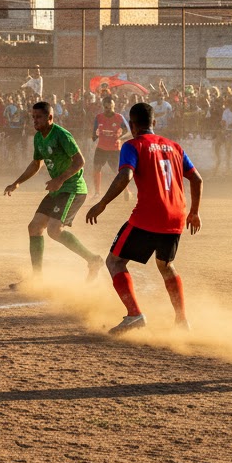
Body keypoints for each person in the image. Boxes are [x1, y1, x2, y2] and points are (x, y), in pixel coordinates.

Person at [86, 102, 202, 334]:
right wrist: (194, 212)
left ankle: (134, 314)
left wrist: (102, 203)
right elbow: (197, 179)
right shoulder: (175, 147)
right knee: (166, 266)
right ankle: (181, 321)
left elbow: (124, 176)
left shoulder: (132, 145)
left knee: (115, 262)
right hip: (176, 216)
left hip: (149, 215)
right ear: (154, 123)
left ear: (132, 124)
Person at [4, 101, 103, 285]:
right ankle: (37, 278)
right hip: (57, 189)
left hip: (73, 188)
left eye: (39, 117)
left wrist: (59, 179)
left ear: (50, 117)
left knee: (54, 230)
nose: (35, 120)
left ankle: (93, 260)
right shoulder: (38, 137)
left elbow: (80, 161)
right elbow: (36, 164)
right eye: (33, 117)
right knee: (34, 227)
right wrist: (17, 183)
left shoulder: (61, 135)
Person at [91, 95, 129, 198]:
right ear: (103, 106)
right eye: (106, 107)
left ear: (114, 106)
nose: (108, 109)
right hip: (101, 148)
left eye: (110, 107)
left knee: (118, 171)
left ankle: (126, 190)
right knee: (96, 168)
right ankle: (97, 192)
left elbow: (127, 131)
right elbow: (94, 133)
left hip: (114, 149)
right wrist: (95, 136)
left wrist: (120, 137)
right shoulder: (99, 117)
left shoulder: (119, 117)